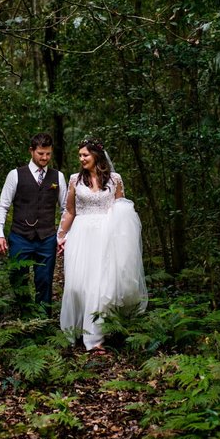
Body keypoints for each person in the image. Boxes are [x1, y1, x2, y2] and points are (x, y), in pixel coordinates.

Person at [58, 139, 147, 353]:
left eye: (85, 155)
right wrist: (60, 235)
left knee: (100, 285)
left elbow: (122, 209)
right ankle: (74, 332)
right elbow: (70, 210)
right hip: (81, 234)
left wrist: (123, 237)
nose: (81, 159)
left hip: (107, 236)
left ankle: (96, 339)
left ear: (96, 155)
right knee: (77, 284)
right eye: (79, 156)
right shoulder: (74, 180)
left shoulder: (115, 179)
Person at [0, 133, 68, 315]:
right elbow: (3, 205)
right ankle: (26, 319)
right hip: (20, 236)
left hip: (47, 238)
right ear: (31, 151)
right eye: (41, 153)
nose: (44, 158)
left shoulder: (58, 177)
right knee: (18, 279)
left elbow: (65, 209)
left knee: (44, 280)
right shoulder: (15, 175)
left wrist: (62, 235)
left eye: (48, 154)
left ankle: (42, 321)